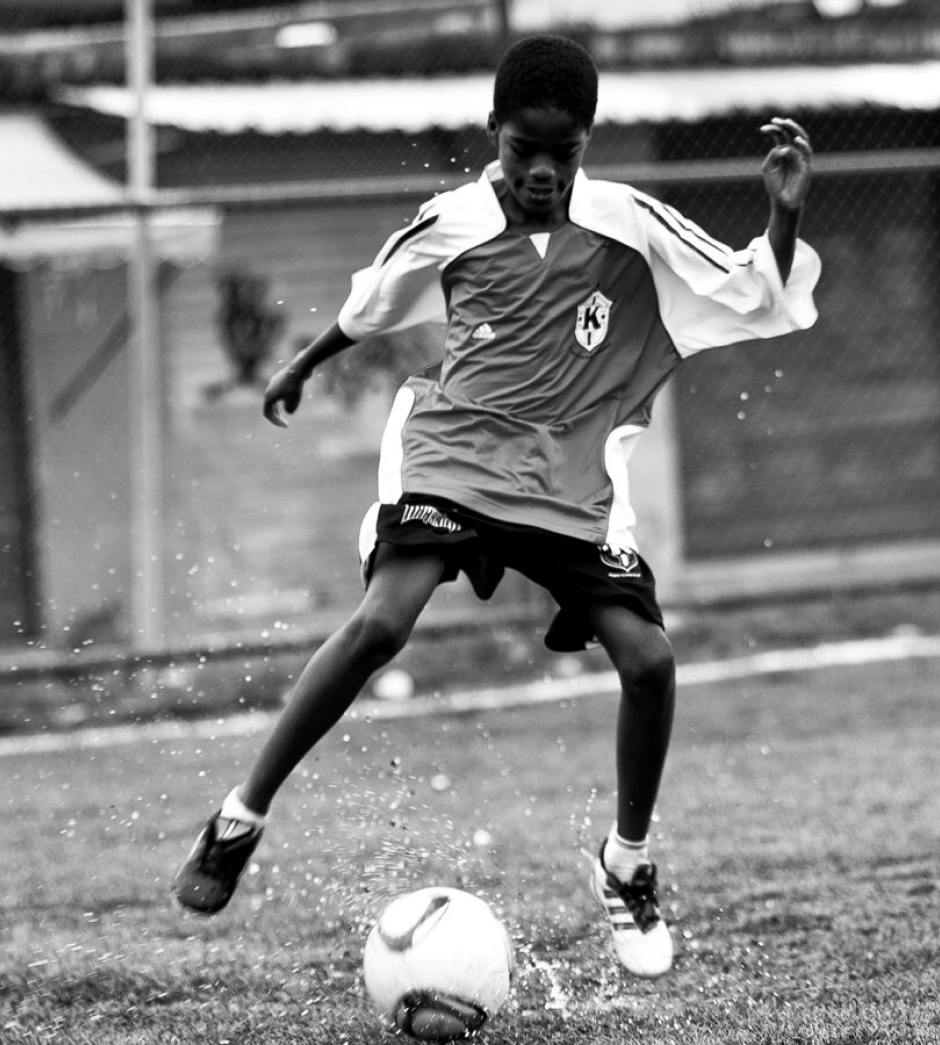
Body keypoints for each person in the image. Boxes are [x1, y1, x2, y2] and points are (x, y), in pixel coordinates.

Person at [172, 34, 819, 979]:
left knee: (650, 661)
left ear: (589, 140)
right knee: (382, 624)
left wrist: (782, 216)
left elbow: (750, 288)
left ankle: (626, 863)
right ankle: (239, 817)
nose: (544, 171)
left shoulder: (629, 219)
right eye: (524, 150)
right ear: (493, 133)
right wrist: (302, 366)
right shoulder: (453, 219)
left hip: (568, 476)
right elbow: (373, 299)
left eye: (565, 152)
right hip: (457, 455)